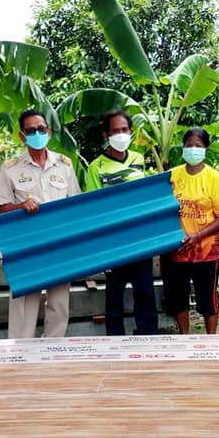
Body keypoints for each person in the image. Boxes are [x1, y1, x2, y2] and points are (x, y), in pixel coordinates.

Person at [0, 109, 82, 338]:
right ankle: (21, 353)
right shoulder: (11, 168)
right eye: (31, 130)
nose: (37, 134)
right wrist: (21, 206)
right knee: (25, 300)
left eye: (41, 129)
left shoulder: (64, 165)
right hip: (27, 245)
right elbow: (0, 207)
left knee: (59, 300)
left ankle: (54, 349)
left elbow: (74, 204)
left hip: (59, 242)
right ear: (22, 136)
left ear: (49, 132)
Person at [83, 110, 158, 335]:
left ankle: (148, 340)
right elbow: (93, 209)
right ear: (106, 134)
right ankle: (114, 343)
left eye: (124, 130)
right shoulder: (96, 167)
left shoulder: (138, 159)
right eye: (115, 131)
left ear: (131, 132)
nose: (121, 134)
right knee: (114, 297)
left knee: (145, 293)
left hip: (140, 241)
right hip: (113, 243)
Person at [161, 128, 219, 334]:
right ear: (183, 147)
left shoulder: (214, 178)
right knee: (177, 297)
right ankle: (185, 336)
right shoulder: (172, 176)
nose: (193, 149)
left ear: (206, 149)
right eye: (189, 145)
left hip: (206, 251)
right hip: (176, 249)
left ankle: (211, 338)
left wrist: (199, 236)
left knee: (207, 297)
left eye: (198, 146)